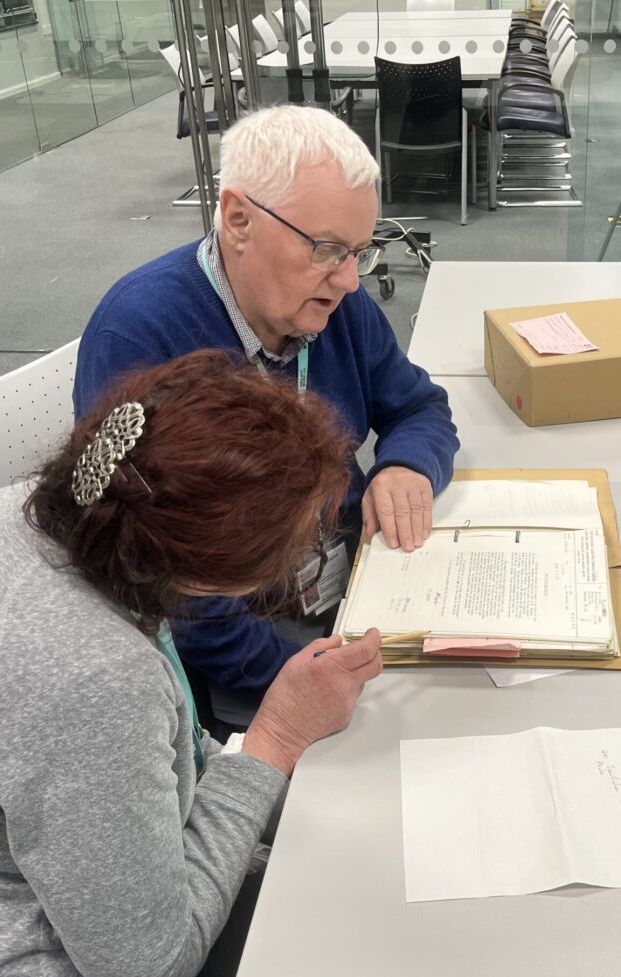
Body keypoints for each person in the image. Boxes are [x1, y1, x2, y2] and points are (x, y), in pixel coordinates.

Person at [0, 350, 383, 977]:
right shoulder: (95, 675)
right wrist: (276, 740)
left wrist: (273, 785)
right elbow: (151, 964)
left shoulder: (36, 513)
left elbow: (159, 751)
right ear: (213, 573)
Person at [72, 106, 458, 727]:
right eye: (327, 248)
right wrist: (299, 678)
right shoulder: (142, 336)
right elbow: (159, 577)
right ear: (239, 220)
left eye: (360, 251)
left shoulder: (332, 302)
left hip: (361, 583)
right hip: (250, 645)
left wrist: (406, 465)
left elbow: (419, 406)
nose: (350, 280)